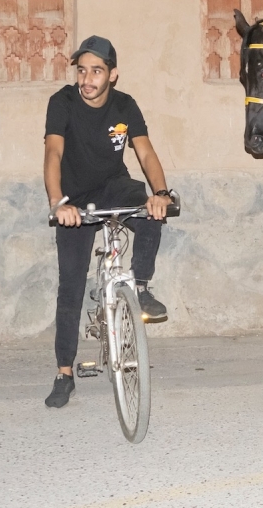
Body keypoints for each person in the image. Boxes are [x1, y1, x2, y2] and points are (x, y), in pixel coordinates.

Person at [43, 35, 173, 408]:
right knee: (70, 288)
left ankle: (141, 288)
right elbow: (53, 152)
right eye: (82, 70)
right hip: (75, 201)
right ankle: (64, 373)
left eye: (96, 71)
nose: (87, 78)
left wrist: (161, 193)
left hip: (114, 187)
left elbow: (145, 152)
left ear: (112, 75)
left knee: (151, 211)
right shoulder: (62, 102)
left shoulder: (125, 105)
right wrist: (57, 203)